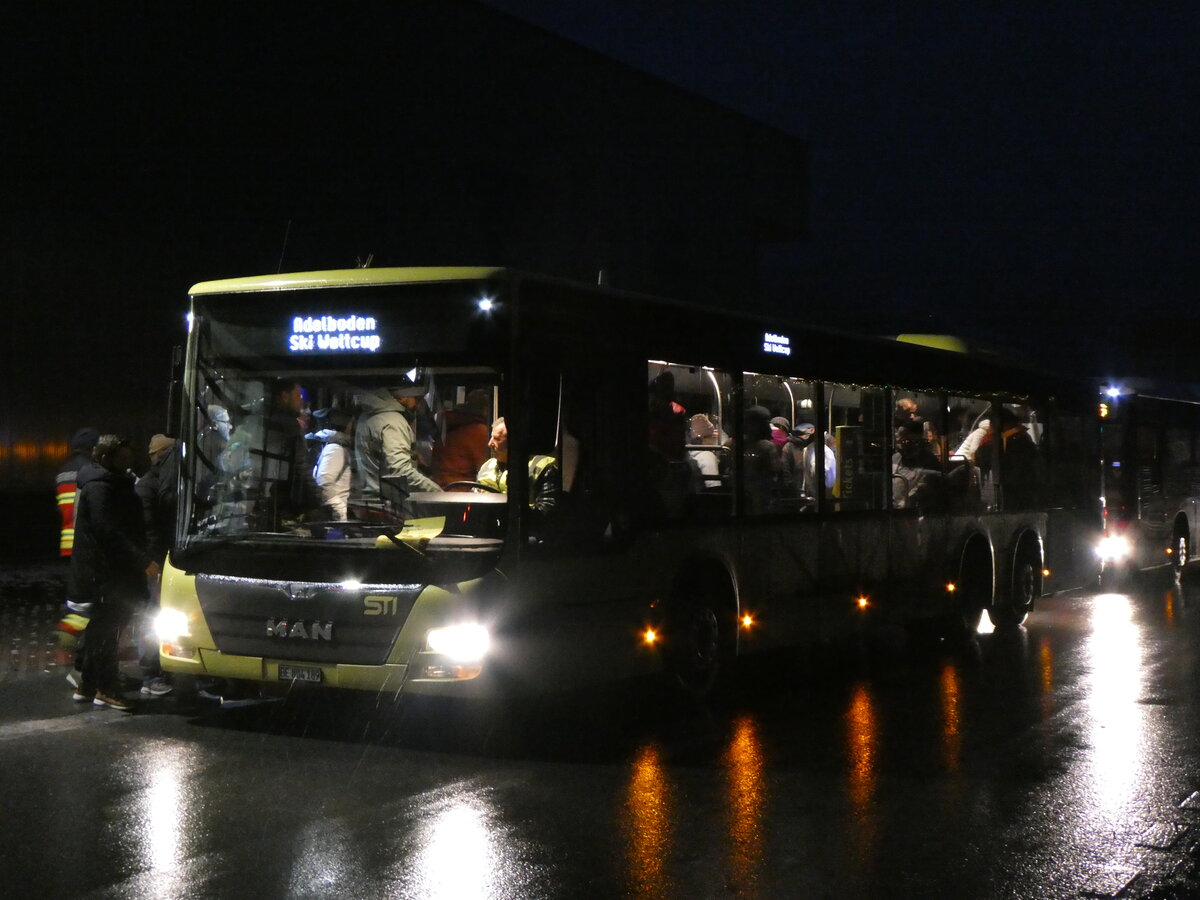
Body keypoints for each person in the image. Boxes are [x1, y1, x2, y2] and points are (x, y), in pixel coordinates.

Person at [69, 435, 160, 711]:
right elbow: (108, 531)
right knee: (107, 631)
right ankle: (107, 689)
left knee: (102, 628)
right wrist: (142, 561)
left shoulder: (110, 482)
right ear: (105, 457)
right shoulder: (101, 486)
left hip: (108, 572)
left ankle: (88, 684)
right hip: (106, 574)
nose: (128, 463)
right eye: (122, 458)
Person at [355, 375, 440, 513]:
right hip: (389, 508)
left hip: (370, 502)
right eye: (416, 399)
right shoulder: (393, 422)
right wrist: (436, 492)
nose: (417, 405)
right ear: (402, 398)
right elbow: (400, 470)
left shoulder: (367, 416)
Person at [134, 434, 178, 697]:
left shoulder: (159, 483)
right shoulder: (149, 486)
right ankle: (151, 675)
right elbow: (149, 531)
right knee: (154, 615)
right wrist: (156, 564)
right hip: (158, 563)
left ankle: (160, 670)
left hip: (166, 559)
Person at [476, 417, 559, 513]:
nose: (490, 444)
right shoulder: (487, 467)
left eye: (497, 439)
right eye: (491, 437)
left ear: (513, 442)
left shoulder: (543, 467)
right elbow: (476, 498)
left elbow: (547, 509)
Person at [432, 389, 490, 489]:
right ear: (485, 409)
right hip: (461, 489)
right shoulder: (478, 430)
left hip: (437, 486)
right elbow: (485, 469)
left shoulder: (448, 422)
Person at [55, 427, 100, 557]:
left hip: (68, 544)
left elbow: (60, 509)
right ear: (94, 449)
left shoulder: (62, 473)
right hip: (89, 545)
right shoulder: (94, 471)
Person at [309, 407, 354, 521]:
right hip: (334, 516)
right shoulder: (335, 448)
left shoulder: (333, 447)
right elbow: (324, 481)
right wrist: (339, 510)